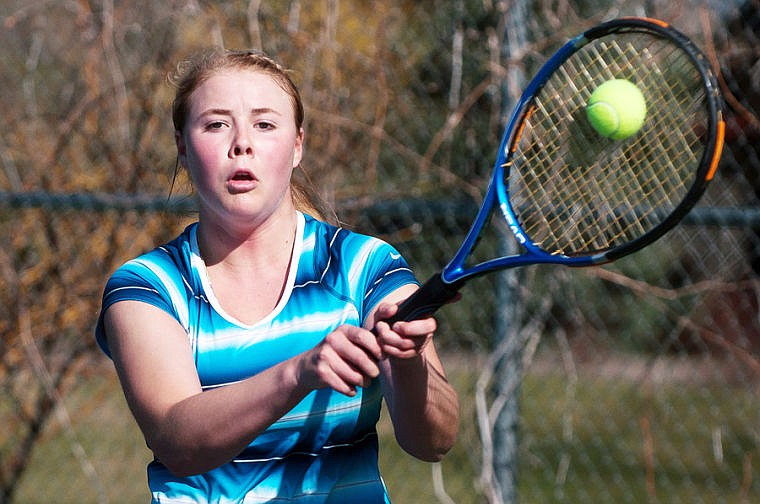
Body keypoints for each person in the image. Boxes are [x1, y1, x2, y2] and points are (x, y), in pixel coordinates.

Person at [95, 49, 459, 503]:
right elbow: (178, 443)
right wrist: (300, 372)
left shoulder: (365, 265)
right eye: (215, 124)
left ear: (297, 146)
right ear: (183, 149)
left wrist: (409, 363)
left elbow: (433, 443)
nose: (241, 143)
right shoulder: (147, 287)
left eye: (264, 124)